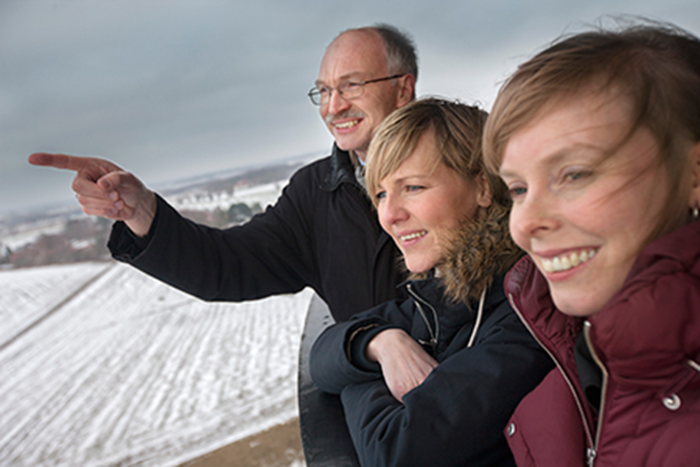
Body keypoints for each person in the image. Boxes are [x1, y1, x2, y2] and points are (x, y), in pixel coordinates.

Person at [28, 24, 417, 322]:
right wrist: (142, 212)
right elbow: (226, 266)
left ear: (403, 89)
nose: (334, 107)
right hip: (390, 415)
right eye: (324, 91)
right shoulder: (314, 195)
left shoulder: (471, 162)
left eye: (351, 86)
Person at [482, 20, 700, 467]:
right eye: (518, 189)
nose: (526, 223)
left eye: (574, 174)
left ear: (694, 173)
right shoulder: (572, 353)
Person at [309, 98, 553, 467]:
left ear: (483, 187)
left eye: (413, 187)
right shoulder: (438, 295)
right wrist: (381, 344)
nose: (390, 215)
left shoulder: (527, 310)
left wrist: (357, 380)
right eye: (381, 194)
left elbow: (394, 452)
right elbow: (322, 357)